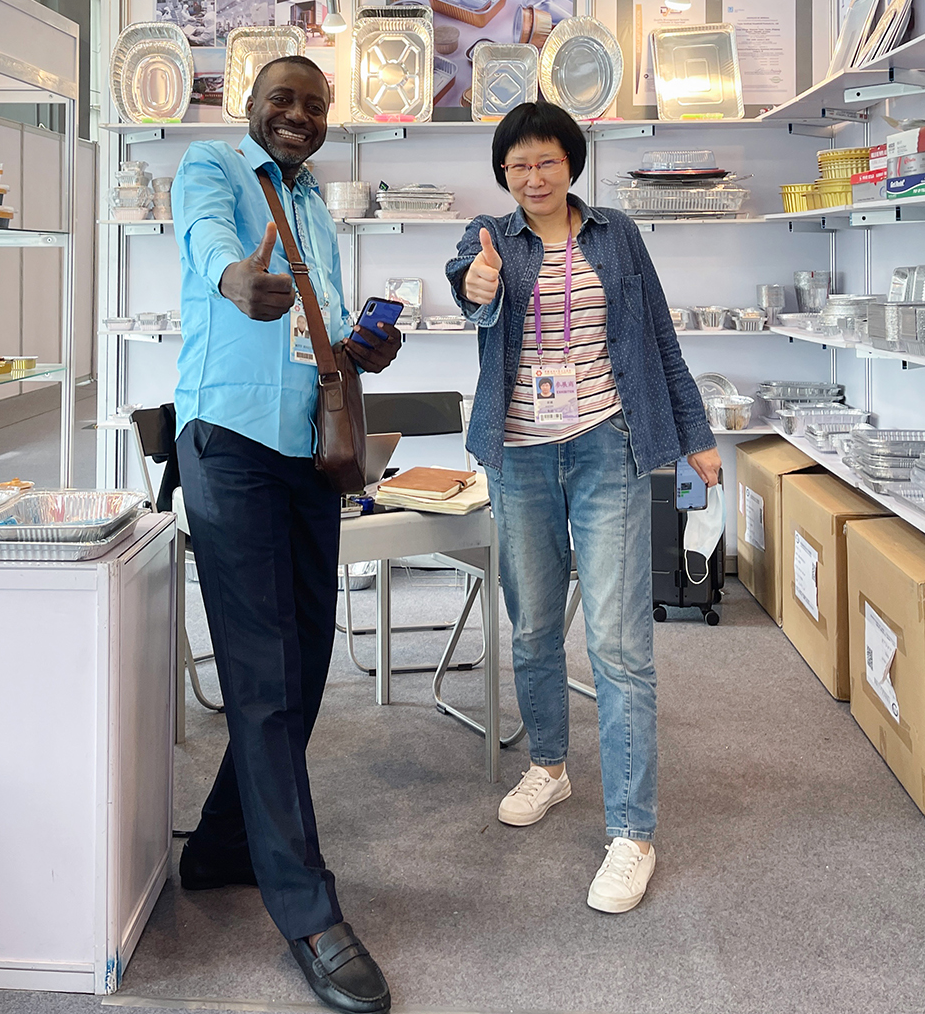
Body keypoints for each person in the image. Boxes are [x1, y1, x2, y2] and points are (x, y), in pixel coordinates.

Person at [446, 101, 720, 915]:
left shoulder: (616, 235)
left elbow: (659, 337)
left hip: (610, 446)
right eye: (517, 166)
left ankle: (633, 834)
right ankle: (550, 767)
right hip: (521, 456)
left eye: (547, 162)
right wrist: (477, 286)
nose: (533, 178)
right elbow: (470, 292)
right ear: (502, 173)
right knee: (533, 626)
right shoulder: (490, 238)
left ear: (572, 163)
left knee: (619, 643)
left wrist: (696, 434)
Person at [172, 55, 402, 1014]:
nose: (298, 115)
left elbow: (318, 328)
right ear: (248, 106)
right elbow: (209, 242)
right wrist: (235, 280)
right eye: (281, 100)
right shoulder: (214, 168)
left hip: (309, 451)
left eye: (313, 104)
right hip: (229, 444)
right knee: (263, 674)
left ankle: (221, 847)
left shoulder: (315, 205)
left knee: (305, 666)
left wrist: (362, 348)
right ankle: (307, 911)